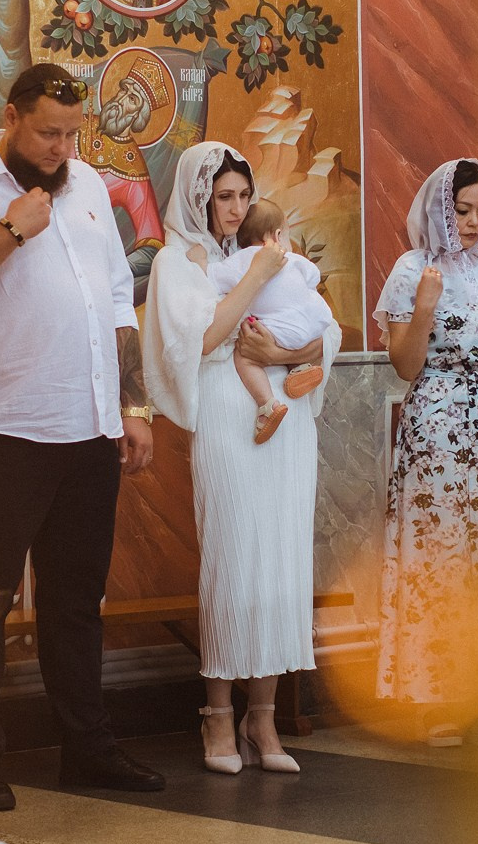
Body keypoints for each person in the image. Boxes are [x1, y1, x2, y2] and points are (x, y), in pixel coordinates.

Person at [0, 61, 167, 810]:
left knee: (77, 599)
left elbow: (119, 296)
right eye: (48, 133)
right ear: (12, 116)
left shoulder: (85, 185)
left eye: (71, 134)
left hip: (89, 425)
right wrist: (10, 229)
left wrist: (134, 404)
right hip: (4, 426)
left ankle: (88, 749)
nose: (60, 149)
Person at [142, 142, 335, 775]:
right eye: (222, 196)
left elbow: (323, 328)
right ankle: (218, 717)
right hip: (229, 410)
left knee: (280, 556)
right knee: (233, 554)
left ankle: (265, 719)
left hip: (287, 412)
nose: (234, 207)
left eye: (243, 196)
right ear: (198, 195)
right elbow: (198, 342)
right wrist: (256, 277)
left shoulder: (272, 254)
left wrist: (288, 356)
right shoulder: (179, 262)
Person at [374, 159, 478, 748]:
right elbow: (404, 365)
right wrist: (423, 308)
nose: (471, 222)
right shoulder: (411, 270)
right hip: (434, 431)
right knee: (437, 557)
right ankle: (434, 694)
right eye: (461, 210)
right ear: (439, 209)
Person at [209, 198, 331, 443]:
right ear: (277, 235)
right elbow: (313, 277)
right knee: (289, 332)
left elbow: (211, 276)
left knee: (245, 355)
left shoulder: (240, 261)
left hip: (279, 329)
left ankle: (267, 404)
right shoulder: (295, 260)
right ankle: (300, 367)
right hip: (314, 323)